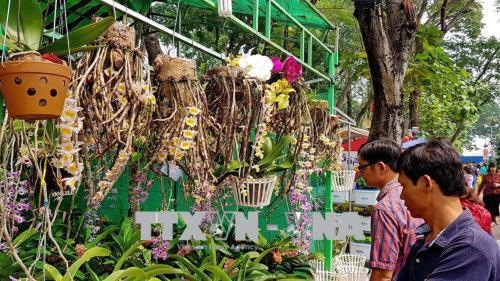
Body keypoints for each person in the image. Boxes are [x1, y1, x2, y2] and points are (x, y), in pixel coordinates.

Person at [395, 138, 500, 281]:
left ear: (426, 184)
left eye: (404, 186)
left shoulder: (470, 249)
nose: (401, 196)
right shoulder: (425, 240)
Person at [357, 140, 422, 281]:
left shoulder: (385, 208)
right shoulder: (415, 195)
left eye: (362, 168)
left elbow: (382, 275)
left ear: (380, 167)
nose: (359, 174)